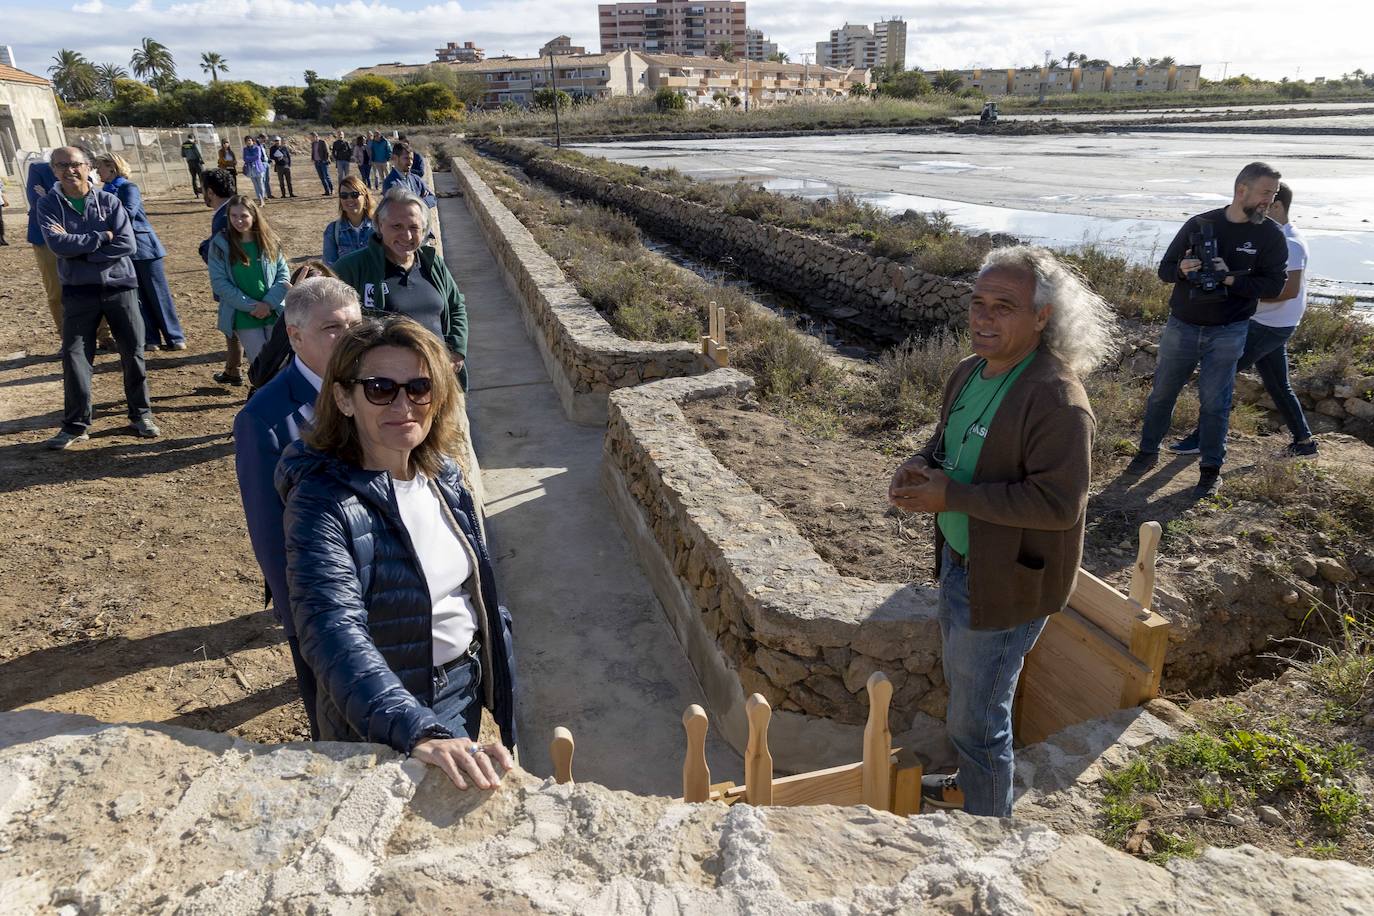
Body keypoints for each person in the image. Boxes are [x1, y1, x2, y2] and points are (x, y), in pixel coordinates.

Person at [888, 246, 1112, 818]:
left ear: (1042, 317)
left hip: (1007, 585)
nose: (984, 318)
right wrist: (919, 464)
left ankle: (988, 832)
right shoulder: (969, 371)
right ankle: (972, 787)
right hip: (964, 564)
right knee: (971, 699)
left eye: (1004, 307)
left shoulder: (1057, 400)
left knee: (980, 721)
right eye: (978, 303)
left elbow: (1060, 505)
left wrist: (952, 497)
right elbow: (948, 442)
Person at [277, 316, 518, 787]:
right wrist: (416, 726)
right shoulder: (321, 502)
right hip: (386, 710)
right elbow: (331, 630)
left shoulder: (442, 476)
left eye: (420, 387)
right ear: (344, 398)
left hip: (461, 688)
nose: (404, 404)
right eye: (381, 388)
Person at [234, 276, 363, 738]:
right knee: (338, 721)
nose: (349, 338)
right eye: (333, 328)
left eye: (355, 324)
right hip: (319, 602)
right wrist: (297, 621)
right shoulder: (263, 418)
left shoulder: (376, 387)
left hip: (380, 584)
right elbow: (269, 531)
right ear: (294, 336)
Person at [1132, 161, 1288, 497]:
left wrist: (1228, 278)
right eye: (1264, 193)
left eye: (1273, 195)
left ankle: (1210, 469)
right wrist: (1185, 270)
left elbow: (1275, 285)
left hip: (1229, 330)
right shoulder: (1200, 224)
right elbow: (1165, 270)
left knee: (1216, 402)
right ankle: (1146, 453)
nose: (1269, 201)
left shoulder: (1270, 235)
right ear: (1241, 189)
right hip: (1183, 325)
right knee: (1162, 394)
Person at [1169, 181, 1317, 459]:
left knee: (1220, 375)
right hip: (1274, 322)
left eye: (1261, 204)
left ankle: (1202, 438)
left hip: (1269, 325)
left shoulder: (1289, 242)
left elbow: (1289, 290)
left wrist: (1238, 292)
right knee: (1277, 384)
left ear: (1276, 205)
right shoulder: (1282, 235)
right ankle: (1305, 443)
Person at [38, 146, 159, 449]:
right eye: (61, 165)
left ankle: (140, 414)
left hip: (121, 286)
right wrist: (101, 237)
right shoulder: (49, 205)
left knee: (133, 353)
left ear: (88, 166)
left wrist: (82, 251)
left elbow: (127, 244)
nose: (69, 170)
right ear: (53, 170)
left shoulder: (109, 201)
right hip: (78, 292)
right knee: (75, 357)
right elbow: (58, 246)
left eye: (75, 164)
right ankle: (76, 425)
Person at [334, 187, 468, 388]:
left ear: (423, 230)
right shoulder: (351, 268)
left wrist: (456, 351)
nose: (406, 235)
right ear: (379, 223)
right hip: (388, 391)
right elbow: (335, 323)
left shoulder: (433, 263)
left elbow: (456, 306)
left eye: (414, 227)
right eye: (396, 226)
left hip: (442, 380)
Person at [94, 153, 186, 352]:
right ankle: (150, 338)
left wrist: (102, 223)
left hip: (144, 247)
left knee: (158, 293)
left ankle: (174, 337)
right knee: (138, 297)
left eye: (99, 167)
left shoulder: (128, 187)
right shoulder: (102, 192)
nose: (96, 171)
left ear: (111, 168)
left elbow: (128, 213)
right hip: (122, 250)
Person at [207, 195, 290, 364]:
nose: (238, 221)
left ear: (254, 215)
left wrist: (268, 303)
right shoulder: (220, 244)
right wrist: (253, 306)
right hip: (244, 315)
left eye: (244, 216)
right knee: (261, 364)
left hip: (273, 311)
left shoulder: (270, 241)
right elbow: (220, 283)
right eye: (234, 216)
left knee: (282, 362)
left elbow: (283, 275)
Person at [322, 176, 375, 267]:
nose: (349, 199)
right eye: (344, 196)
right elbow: (330, 268)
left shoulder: (380, 227)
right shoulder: (333, 230)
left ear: (365, 197)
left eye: (354, 194)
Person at [381, 142, 437, 208]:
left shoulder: (416, 179)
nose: (410, 162)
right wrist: (419, 201)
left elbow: (433, 198)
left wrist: (420, 202)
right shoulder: (390, 184)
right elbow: (400, 208)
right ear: (395, 158)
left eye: (411, 159)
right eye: (406, 158)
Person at [242, 137, 269, 205]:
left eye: (249, 140)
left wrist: (249, 158)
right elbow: (245, 159)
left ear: (252, 141)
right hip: (250, 169)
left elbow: (257, 157)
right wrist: (251, 158)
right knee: (256, 186)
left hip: (258, 168)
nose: (248, 142)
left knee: (261, 184)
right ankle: (260, 200)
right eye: (247, 141)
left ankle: (262, 199)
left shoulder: (257, 148)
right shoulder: (245, 149)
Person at [309, 131, 333, 196]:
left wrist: (325, 160)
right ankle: (327, 191)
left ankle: (331, 190)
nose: (310, 139)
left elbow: (327, 152)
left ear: (315, 136)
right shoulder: (313, 143)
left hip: (323, 162)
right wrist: (312, 158)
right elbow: (313, 152)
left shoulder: (322, 142)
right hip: (316, 162)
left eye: (311, 137)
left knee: (326, 176)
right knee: (322, 178)